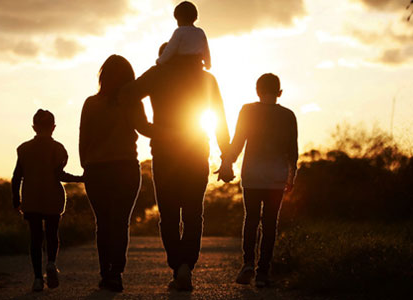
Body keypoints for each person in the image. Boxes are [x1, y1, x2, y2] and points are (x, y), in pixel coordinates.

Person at [120, 43, 232, 291]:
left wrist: (147, 126)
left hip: (165, 153)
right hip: (196, 150)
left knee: (169, 215)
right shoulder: (207, 78)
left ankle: (177, 266)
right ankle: (186, 267)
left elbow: (127, 95)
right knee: (193, 214)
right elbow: (220, 120)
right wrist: (227, 157)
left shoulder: (157, 73)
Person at [79, 55, 153, 292]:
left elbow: (84, 138)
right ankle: (116, 273)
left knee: (103, 223)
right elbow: (145, 129)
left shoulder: (91, 103)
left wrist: (86, 165)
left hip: (96, 169)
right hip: (125, 168)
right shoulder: (132, 103)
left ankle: (105, 272)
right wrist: (176, 131)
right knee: (120, 222)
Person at [220, 73, 298, 288]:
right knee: (270, 223)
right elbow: (293, 149)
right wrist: (292, 175)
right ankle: (263, 273)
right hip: (276, 177)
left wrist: (228, 163)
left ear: (257, 91)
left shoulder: (248, 110)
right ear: (279, 93)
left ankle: (247, 264)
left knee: (251, 219)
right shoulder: (288, 115)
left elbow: (238, 141)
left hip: (252, 174)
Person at [12, 109, 84, 292]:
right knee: (52, 233)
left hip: (31, 198)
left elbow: (16, 176)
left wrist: (15, 197)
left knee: (35, 238)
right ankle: (51, 263)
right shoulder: (58, 149)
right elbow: (60, 174)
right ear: (53, 127)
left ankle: (37, 279)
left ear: (34, 127)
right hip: (53, 197)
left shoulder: (24, 149)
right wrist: (81, 178)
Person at [156, 1, 211, 71]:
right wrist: (208, 63)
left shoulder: (179, 31)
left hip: (182, 65)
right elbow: (206, 49)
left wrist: (160, 61)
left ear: (179, 18)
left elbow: (170, 49)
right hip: (197, 66)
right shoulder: (200, 32)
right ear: (195, 18)